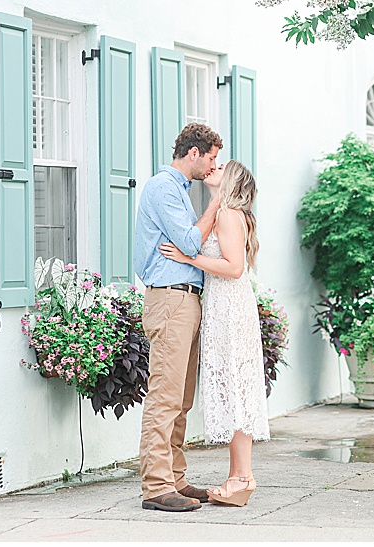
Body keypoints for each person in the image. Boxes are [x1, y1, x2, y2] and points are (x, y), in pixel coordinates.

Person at [159, 159, 270, 507]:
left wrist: (188, 259)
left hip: (230, 308)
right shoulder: (227, 213)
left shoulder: (227, 216)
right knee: (238, 390)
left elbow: (234, 268)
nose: (212, 168)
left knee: (237, 392)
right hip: (227, 307)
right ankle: (239, 477)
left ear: (231, 180)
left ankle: (242, 477)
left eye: (221, 167)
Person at [133, 123, 223, 512]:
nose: (213, 166)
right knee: (165, 398)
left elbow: (189, 244)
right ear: (194, 153)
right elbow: (189, 241)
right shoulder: (162, 187)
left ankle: (176, 479)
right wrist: (217, 204)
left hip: (186, 300)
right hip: (169, 301)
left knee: (182, 399)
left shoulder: (182, 192)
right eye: (212, 158)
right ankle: (155, 487)